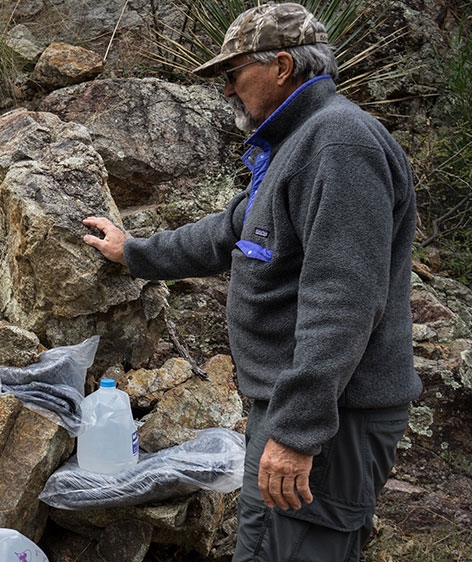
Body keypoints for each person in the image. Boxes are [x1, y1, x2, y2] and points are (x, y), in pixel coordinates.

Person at [82, 3, 422, 561]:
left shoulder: (339, 145)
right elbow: (229, 232)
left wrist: (296, 432)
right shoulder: (297, 144)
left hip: (330, 416)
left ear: (282, 66)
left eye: (233, 74)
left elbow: (342, 299)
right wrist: (133, 251)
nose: (225, 90)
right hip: (297, 408)